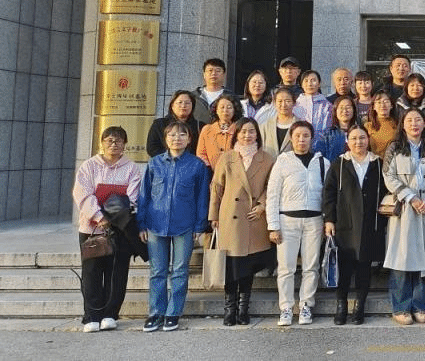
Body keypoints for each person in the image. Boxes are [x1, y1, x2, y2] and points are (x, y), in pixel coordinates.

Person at [137, 120, 210, 332]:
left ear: (189, 139)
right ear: (165, 139)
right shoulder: (154, 164)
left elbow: (202, 198)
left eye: (182, 135)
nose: (177, 138)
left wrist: (200, 225)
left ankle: (173, 312)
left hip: (184, 224)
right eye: (172, 135)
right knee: (157, 271)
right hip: (155, 223)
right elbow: (144, 195)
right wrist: (141, 223)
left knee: (179, 270)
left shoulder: (197, 165)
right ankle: (156, 312)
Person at [72, 126, 143, 333]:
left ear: (125, 144)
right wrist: (100, 217)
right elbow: (83, 194)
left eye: (118, 140)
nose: (114, 144)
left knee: (116, 273)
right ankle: (92, 316)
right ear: (102, 143)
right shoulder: (89, 166)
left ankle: (110, 314)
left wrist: (113, 218)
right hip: (91, 229)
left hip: (120, 229)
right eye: (109, 140)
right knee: (92, 272)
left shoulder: (131, 168)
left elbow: (132, 198)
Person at [208, 118, 276, 326]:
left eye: (251, 131)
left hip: (253, 217)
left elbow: (271, 186)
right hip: (230, 216)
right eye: (243, 132)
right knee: (231, 265)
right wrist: (214, 216)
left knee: (247, 265)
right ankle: (230, 309)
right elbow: (216, 187)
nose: (247, 135)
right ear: (236, 134)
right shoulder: (227, 157)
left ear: (257, 134)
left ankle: (243, 309)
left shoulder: (266, 158)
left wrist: (262, 205)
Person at [383, 107, 425, 325]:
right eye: (409, 120)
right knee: (401, 258)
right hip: (404, 209)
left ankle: (419, 304)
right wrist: (410, 196)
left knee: (423, 258)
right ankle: (400, 306)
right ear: (403, 125)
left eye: (418, 120)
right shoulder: (394, 147)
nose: (414, 124)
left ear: (424, 124)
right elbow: (388, 175)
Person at [266, 121, 329, 326]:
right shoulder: (283, 161)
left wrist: (328, 220)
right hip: (287, 221)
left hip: (314, 220)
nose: (301, 139)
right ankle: (286, 308)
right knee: (286, 267)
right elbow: (272, 195)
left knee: (311, 266)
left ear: (312, 138)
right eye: (297, 136)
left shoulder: (322, 163)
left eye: (306, 136)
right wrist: (273, 225)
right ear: (291, 138)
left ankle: (306, 305)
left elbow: (328, 195)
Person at [323, 125, 387, 326]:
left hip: (369, 223)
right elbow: (328, 194)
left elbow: (386, 191)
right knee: (343, 266)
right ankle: (341, 305)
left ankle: (359, 307)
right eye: (354, 138)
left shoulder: (378, 163)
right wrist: (329, 219)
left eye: (362, 138)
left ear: (368, 139)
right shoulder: (339, 164)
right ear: (347, 141)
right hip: (344, 223)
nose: (358, 142)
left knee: (364, 267)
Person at [146, 90, 200, 157]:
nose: (183, 106)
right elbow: (152, 148)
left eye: (187, 103)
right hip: (164, 162)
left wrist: (186, 159)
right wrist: (171, 158)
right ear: (172, 106)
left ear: (192, 106)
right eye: (180, 102)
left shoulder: (199, 126)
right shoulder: (159, 124)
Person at [196, 95, 242, 171]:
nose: (225, 110)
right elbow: (201, 154)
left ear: (234, 110)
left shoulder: (239, 129)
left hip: (234, 172)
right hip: (210, 173)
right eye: (222, 107)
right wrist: (209, 169)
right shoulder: (207, 129)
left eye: (229, 107)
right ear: (216, 110)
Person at [313, 96, 357, 160]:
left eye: (348, 107)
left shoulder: (360, 131)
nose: (345, 111)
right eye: (341, 108)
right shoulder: (327, 135)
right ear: (335, 111)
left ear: (354, 110)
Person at [259, 87, 298, 158]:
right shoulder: (265, 126)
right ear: (274, 103)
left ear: (294, 103)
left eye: (287, 101)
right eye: (280, 101)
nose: (283, 105)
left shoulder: (300, 125)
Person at [193, 58, 234, 126]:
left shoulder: (231, 97)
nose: (213, 73)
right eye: (210, 70)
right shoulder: (193, 97)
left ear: (224, 74)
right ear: (204, 74)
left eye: (218, 71)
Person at [295, 70, 332, 139]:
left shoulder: (327, 105)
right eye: (306, 81)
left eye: (313, 80)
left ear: (319, 84)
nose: (309, 84)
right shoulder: (296, 104)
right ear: (302, 84)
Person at [366, 92, 399, 158]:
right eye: (379, 102)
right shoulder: (368, 126)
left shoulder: (398, 125)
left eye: (386, 101)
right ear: (374, 107)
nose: (383, 105)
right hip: (375, 162)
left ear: (391, 105)